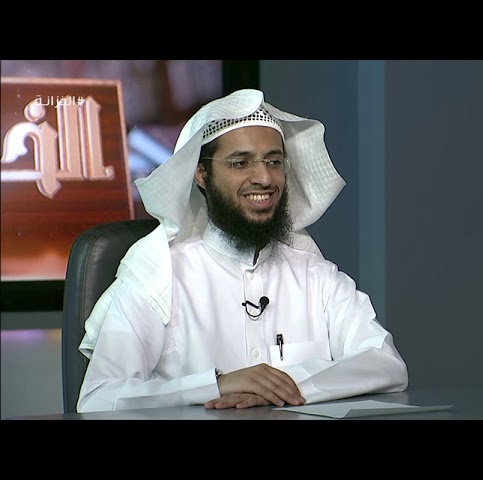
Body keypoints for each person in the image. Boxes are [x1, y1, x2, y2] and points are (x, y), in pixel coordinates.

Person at [77, 88, 408, 412]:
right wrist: (216, 385)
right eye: (240, 163)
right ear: (202, 174)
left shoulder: (314, 275)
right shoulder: (160, 276)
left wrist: (283, 386)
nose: (264, 177)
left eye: (274, 161)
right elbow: (99, 397)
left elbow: (387, 363)